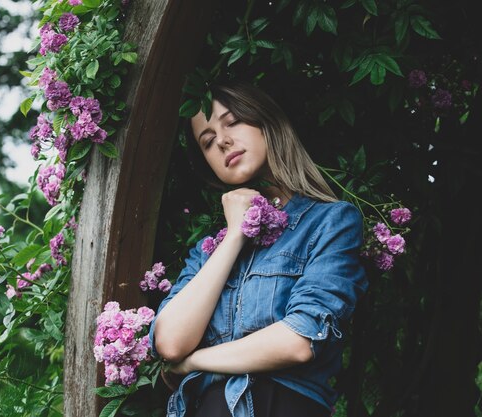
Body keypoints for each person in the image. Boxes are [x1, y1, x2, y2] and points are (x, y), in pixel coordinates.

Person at [148, 81, 368, 417]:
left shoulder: (330, 222)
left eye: (232, 121)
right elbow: (170, 342)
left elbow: (299, 341)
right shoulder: (208, 251)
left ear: (266, 120)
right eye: (207, 142)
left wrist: (193, 362)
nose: (222, 141)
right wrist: (236, 233)